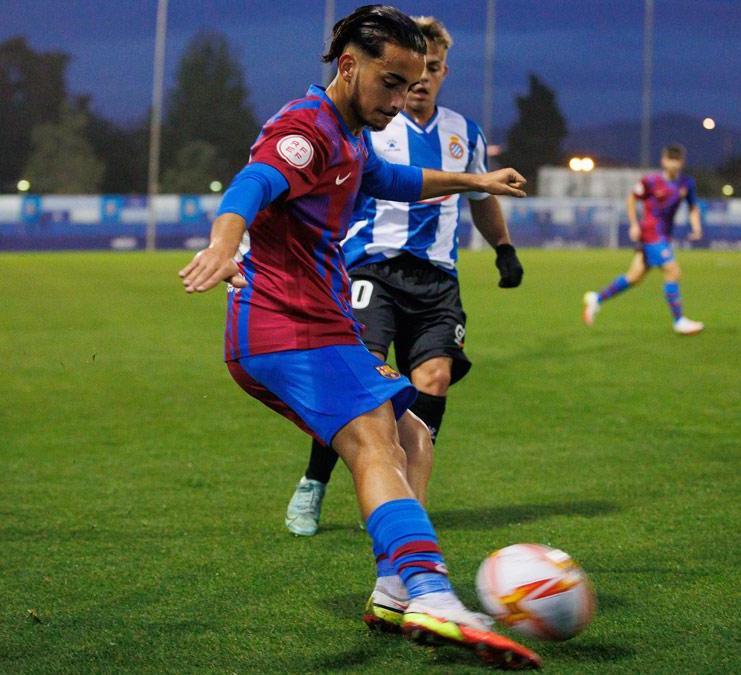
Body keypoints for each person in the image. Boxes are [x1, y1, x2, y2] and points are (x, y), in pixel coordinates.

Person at [178, 5, 540, 669]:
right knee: (376, 438)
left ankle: (394, 589)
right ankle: (431, 591)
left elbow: (395, 180)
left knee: (412, 435)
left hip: (321, 325)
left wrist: (474, 180)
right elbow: (251, 184)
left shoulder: (350, 136)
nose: (401, 99)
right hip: (282, 324)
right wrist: (223, 245)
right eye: (391, 82)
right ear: (349, 65)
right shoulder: (307, 128)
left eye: (412, 84)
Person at [284, 15, 523, 538]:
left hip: (437, 277)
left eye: (432, 69)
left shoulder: (466, 133)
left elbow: (481, 197)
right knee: (362, 379)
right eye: (410, 72)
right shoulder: (373, 121)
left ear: (442, 71)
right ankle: (314, 481)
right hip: (374, 266)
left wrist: (503, 248)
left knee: (433, 379)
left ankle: (410, 506)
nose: (420, 81)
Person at [583, 144, 705, 335]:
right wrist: (633, 224)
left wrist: (696, 226)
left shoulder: (686, 184)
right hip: (651, 233)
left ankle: (596, 299)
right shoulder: (650, 182)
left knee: (634, 277)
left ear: (681, 162)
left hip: (663, 235)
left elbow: (693, 207)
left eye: (677, 160)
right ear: (663, 161)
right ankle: (679, 321)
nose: (673, 164)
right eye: (670, 159)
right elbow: (631, 199)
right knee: (673, 271)